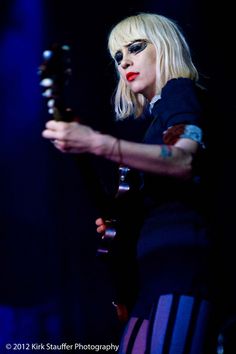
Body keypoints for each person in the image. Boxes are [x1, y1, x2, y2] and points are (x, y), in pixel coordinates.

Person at [42, 12, 218, 353]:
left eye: (136, 47)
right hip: (151, 274)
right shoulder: (154, 120)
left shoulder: (178, 91)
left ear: (163, 46)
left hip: (183, 266)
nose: (125, 62)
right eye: (118, 56)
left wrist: (97, 143)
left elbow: (183, 158)